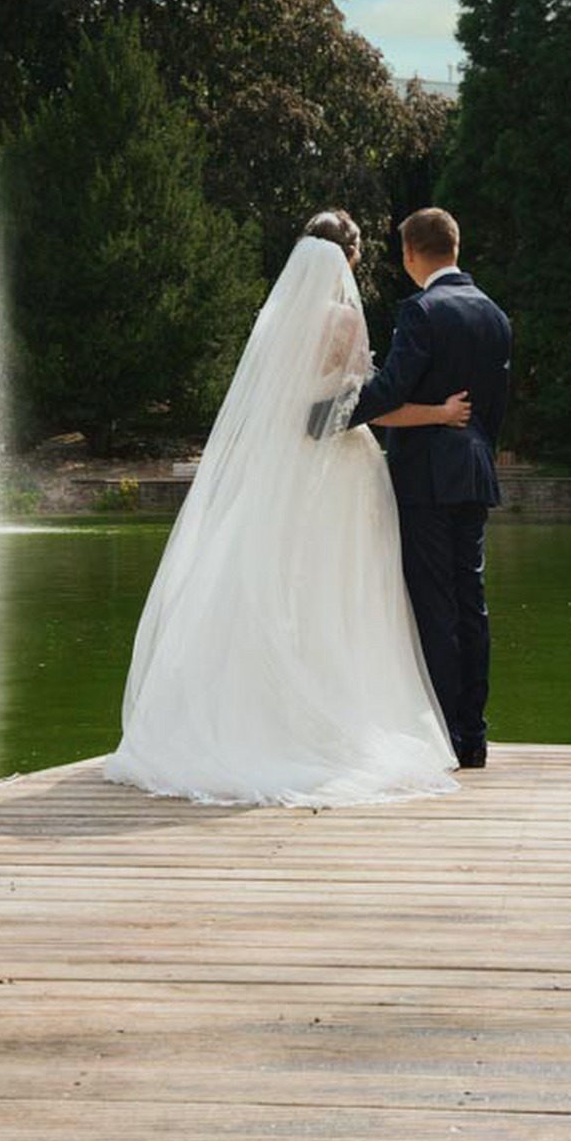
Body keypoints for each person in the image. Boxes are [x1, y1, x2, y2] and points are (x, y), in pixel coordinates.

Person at [102, 210, 470, 806]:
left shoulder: (276, 320)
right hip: (339, 473)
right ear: (348, 259)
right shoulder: (345, 320)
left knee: (279, 589)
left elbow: (294, 408)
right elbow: (362, 405)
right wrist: (437, 413)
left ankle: (253, 714)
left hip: (283, 472)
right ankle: (334, 717)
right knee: (344, 594)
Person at [345, 208, 512, 771]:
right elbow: (495, 409)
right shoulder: (496, 315)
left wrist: (332, 412)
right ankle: (474, 736)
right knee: (472, 604)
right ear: (455, 247)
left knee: (435, 606)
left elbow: (391, 389)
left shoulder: (421, 312)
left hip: (425, 479)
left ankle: (443, 732)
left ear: (411, 255)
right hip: (473, 471)